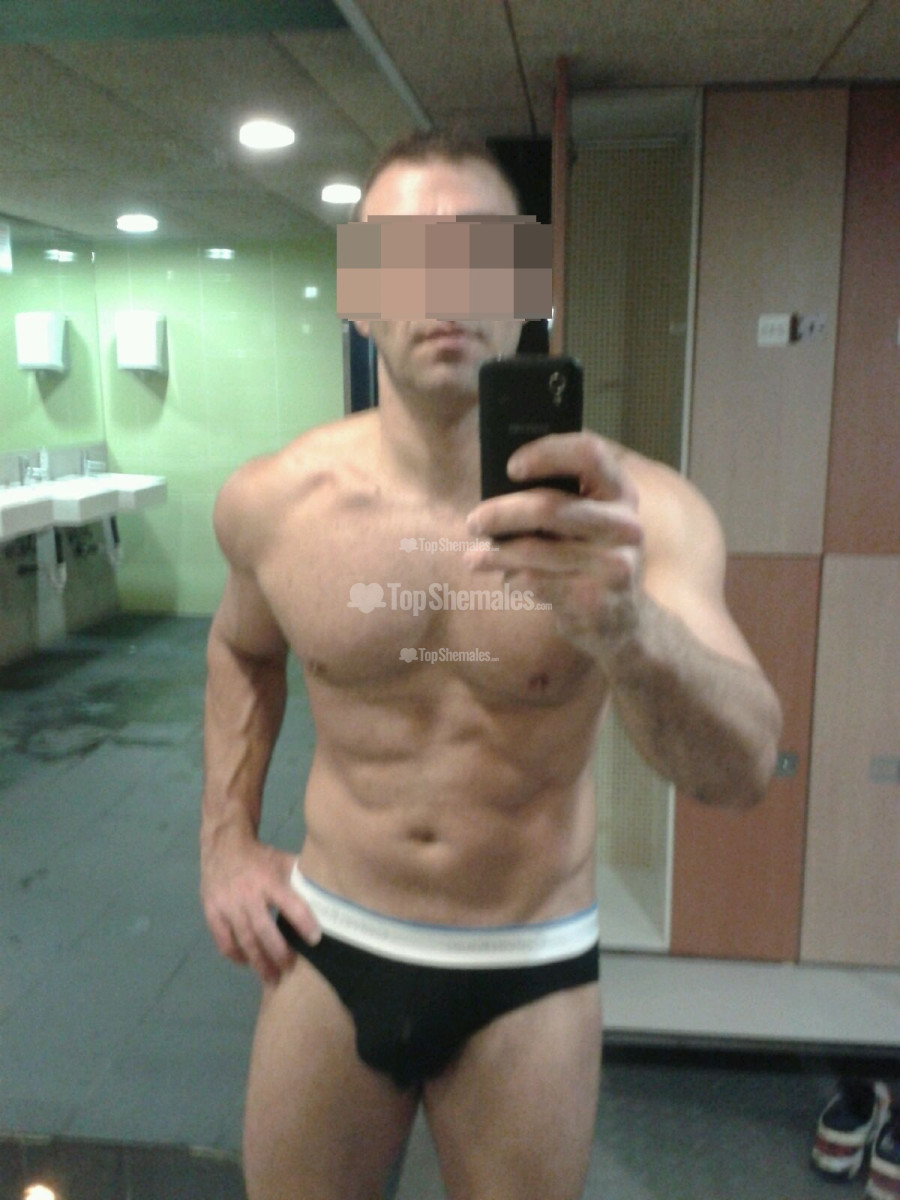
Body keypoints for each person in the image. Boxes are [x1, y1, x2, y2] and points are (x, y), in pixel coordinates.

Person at [200, 129, 782, 1200]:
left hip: (526, 969)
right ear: (358, 292)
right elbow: (242, 648)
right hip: (332, 937)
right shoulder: (275, 501)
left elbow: (743, 770)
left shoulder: (638, 515)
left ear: (528, 286)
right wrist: (224, 841)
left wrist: (629, 631)